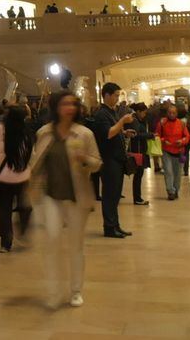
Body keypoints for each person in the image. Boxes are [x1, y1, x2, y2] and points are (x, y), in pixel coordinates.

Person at [30, 89, 102, 309]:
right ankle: (53, 291)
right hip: (51, 196)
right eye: (65, 104)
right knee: (52, 241)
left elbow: (97, 162)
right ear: (55, 107)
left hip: (76, 196)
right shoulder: (44, 133)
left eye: (73, 104)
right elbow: (35, 162)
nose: (70, 108)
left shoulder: (84, 134)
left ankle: (76, 290)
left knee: (75, 245)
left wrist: (84, 159)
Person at [0, 106, 33, 252]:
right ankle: (22, 229)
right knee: (24, 205)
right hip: (22, 175)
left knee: (4, 208)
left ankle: (6, 240)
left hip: (2, 176)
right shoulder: (26, 132)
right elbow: (31, 154)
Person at [89, 82, 134, 238]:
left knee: (115, 195)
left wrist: (124, 131)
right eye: (115, 95)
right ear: (106, 95)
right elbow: (107, 133)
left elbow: (115, 131)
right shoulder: (102, 114)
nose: (117, 98)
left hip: (117, 158)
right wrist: (122, 122)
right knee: (109, 195)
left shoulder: (112, 112)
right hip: (109, 160)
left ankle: (115, 225)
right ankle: (109, 227)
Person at [155, 103, 190, 200]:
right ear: (167, 113)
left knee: (177, 173)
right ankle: (170, 191)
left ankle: (176, 190)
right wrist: (163, 140)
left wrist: (182, 141)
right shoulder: (162, 123)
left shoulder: (181, 124)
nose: (171, 114)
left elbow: (187, 136)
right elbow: (157, 135)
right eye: (170, 112)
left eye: (173, 113)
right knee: (168, 172)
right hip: (166, 151)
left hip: (179, 152)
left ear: (177, 113)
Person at [125, 103, 152, 206]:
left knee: (138, 175)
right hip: (137, 152)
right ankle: (137, 198)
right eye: (144, 113)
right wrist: (150, 135)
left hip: (139, 151)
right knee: (138, 175)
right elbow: (135, 135)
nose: (145, 115)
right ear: (139, 112)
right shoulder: (135, 121)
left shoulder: (136, 120)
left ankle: (138, 198)